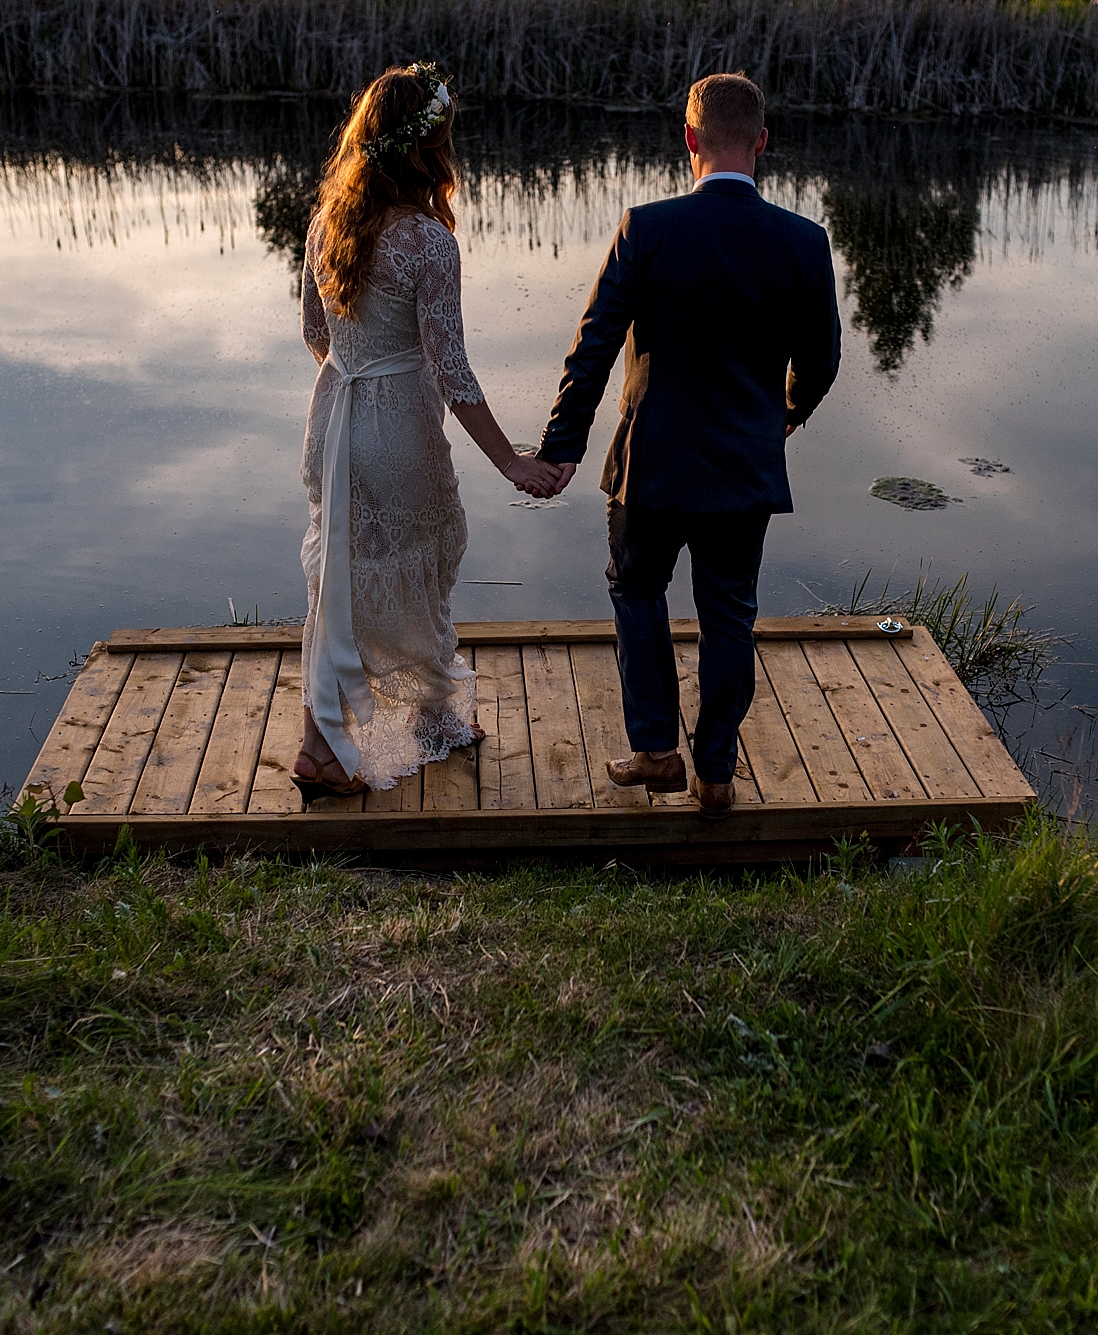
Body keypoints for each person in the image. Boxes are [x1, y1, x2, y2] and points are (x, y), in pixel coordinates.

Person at [536, 72, 842, 820]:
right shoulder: (804, 242)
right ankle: (715, 771)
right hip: (743, 466)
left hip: (652, 465)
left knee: (637, 590)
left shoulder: (647, 227)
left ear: (689, 139)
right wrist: (786, 414)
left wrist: (559, 448)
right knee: (729, 615)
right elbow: (824, 359)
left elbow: (593, 349)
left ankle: (654, 749)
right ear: (762, 142)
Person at [295, 63, 567, 800]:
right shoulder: (426, 242)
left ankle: (357, 732)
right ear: (430, 149)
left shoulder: (327, 221)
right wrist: (512, 460)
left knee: (341, 574)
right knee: (426, 553)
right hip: (396, 423)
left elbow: (315, 333)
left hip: (334, 414)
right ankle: (394, 728)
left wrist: (361, 370)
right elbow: (453, 372)